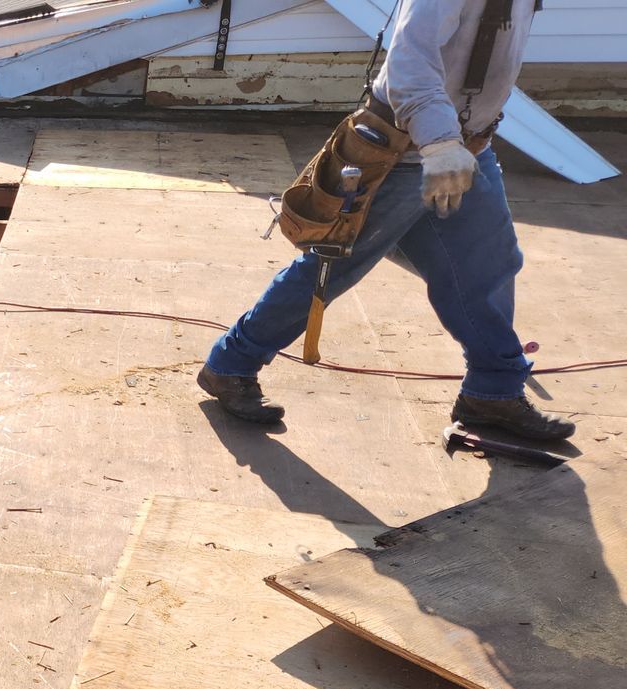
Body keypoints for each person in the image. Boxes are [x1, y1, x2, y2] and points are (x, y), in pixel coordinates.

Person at [197, 0, 576, 441]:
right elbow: (408, 63)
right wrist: (439, 143)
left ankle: (492, 393)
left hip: (467, 148)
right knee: (333, 266)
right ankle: (231, 364)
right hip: (402, 152)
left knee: (488, 266)